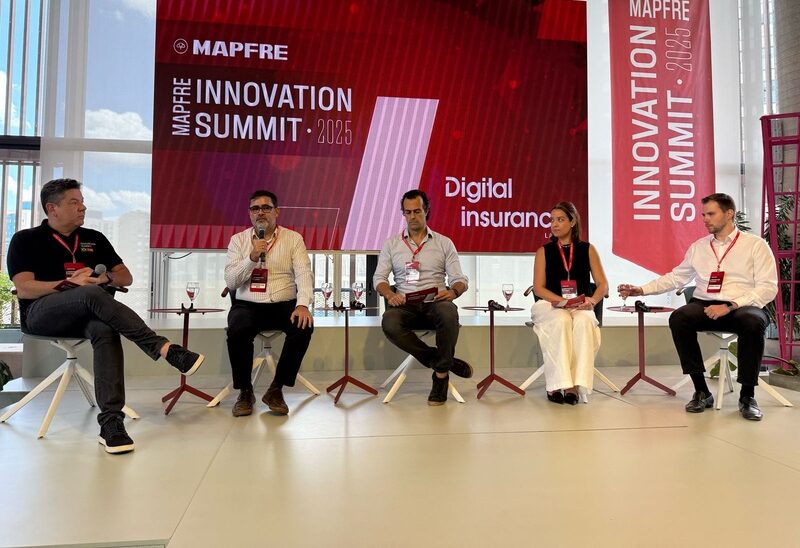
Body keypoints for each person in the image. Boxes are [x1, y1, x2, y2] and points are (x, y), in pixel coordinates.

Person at [6, 178, 205, 454]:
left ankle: (111, 423)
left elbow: (126, 277)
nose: (82, 207)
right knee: (89, 293)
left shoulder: (94, 238)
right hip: (41, 313)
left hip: (88, 314)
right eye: (74, 202)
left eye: (82, 202)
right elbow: (25, 288)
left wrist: (104, 278)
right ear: (52, 208)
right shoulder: (25, 240)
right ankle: (163, 347)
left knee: (104, 327)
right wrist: (68, 284)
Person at [618, 193, 778, 421]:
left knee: (753, 322)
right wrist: (641, 290)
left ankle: (747, 396)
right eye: (703, 215)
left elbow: (768, 287)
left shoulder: (755, 245)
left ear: (729, 214)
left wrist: (731, 305)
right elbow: (676, 277)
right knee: (679, 318)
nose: (705, 219)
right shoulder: (699, 247)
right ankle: (701, 390)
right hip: (705, 303)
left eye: (711, 214)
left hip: (742, 305)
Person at [373, 189, 472, 406]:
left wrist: (453, 292)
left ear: (426, 210)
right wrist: (389, 294)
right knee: (389, 321)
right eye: (407, 212)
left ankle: (440, 378)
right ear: (403, 214)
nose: (412, 217)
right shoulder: (392, 244)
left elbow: (459, 279)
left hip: (435, 302)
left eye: (417, 211)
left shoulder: (444, 243)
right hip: (405, 304)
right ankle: (442, 361)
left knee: (448, 312)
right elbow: (379, 278)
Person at [224, 190, 314, 416]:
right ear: (249, 214)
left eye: (266, 208)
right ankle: (245, 391)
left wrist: (303, 304)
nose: (260, 212)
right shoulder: (238, 240)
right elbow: (231, 281)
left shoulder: (293, 239)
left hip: (283, 304)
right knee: (237, 329)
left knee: (303, 325)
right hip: (248, 305)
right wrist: (252, 257)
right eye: (255, 208)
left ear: (277, 212)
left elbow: (304, 273)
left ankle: (276, 388)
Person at [530, 201, 608, 404]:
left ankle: (576, 384)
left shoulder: (588, 249)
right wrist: (563, 301)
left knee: (584, 321)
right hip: (550, 304)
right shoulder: (544, 251)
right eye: (552, 220)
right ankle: (558, 384)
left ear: (573, 222)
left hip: (579, 305)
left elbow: (602, 284)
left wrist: (592, 300)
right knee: (561, 320)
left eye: (560, 219)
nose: (554, 224)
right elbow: (539, 288)